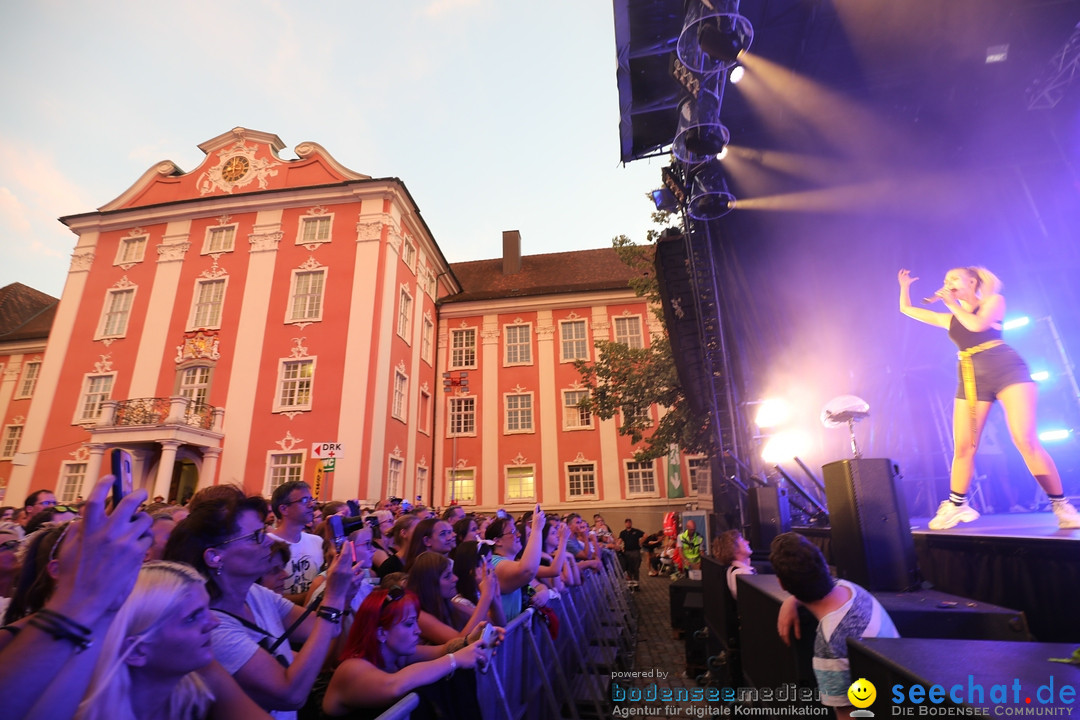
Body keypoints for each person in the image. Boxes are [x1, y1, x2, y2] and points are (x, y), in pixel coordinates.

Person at [898, 267, 1080, 529]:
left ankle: (1062, 506)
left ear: (972, 282)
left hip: (1007, 371)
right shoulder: (949, 318)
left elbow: (977, 324)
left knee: (1025, 440)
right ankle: (957, 505)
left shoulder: (993, 302)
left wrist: (951, 304)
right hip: (972, 377)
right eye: (945, 279)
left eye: (954, 279)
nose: (947, 283)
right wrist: (904, 288)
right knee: (963, 446)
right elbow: (907, 310)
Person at [164, 494, 361, 720]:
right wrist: (334, 596)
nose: (268, 540)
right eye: (256, 536)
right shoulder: (211, 627)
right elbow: (291, 695)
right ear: (215, 557)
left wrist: (344, 594)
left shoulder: (255, 594)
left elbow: (325, 628)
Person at [0, 474, 152, 720]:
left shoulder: (105, 625)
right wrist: (84, 595)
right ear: (55, 568)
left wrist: (110, 601)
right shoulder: (10, 638)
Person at [75, 561, 271, 720]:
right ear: (137, 651)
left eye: (206, 609)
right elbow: (288, 694)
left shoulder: (203, 679)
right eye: (192, 618)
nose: (214, 622)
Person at [771, 532, 898, 719]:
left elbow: (847, 716)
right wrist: (792, 601)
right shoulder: (850, 588)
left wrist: (792, 598)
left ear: (781, 583)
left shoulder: (829, 645)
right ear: (823, 565)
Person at [321, 587, 492, 719]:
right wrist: (455, 660)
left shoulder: (398, 655)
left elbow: (443, 650)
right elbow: (394, 686)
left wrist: (469, 641)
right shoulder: (351, 668)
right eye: (409, 624)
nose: (418, 631)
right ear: (381, 633)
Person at [405, 551, 501, 643]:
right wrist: (486, 596)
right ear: (429, 585)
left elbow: (497, 624)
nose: (455, 578)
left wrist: (494, 595)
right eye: (447, 576)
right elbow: (460, 643)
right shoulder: (419, 615)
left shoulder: (449, 604)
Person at [267, 481, 325, 604]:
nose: (311, 505)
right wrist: (314, 594)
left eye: (312, 500)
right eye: (304, 500)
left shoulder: (317, 541)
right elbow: (266, 597)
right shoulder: (267, 544)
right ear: (284, 509)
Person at [714, 529, 755, 599]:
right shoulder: (743, 574)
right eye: (742, 541)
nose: (747, 542)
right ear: (734, 548)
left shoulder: (733, 570)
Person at [618, 518, 645, 588]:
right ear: (625, 524)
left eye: (629, 523)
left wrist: (640, 542)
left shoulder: (636, 531)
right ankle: (630, 584)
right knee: (628, 568)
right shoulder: (623, 533)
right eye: (627, 523)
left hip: (635, 551)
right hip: (627, 552)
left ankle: (636, 584)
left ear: (631, 523)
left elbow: (645, 535)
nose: (628, 524)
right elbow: (619, 541)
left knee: (636, 568)